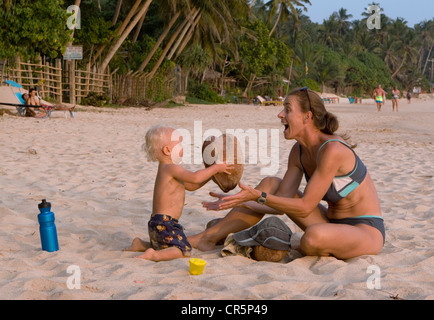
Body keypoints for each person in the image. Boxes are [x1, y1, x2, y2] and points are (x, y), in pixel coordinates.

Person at [189, 87, 385, 260]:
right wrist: (238, 200)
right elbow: (279, 202)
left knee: (312, 237)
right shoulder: (298, 152)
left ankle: (278, 242)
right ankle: (207, 238)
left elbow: (305, 206)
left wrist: (257, 197)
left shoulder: (333, 150)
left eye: (288, 109)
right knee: (271, 183)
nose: (280, 114)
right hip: (330, 222)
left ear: (307, 117)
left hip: (365, 230)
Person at [124, 125, 233, 262]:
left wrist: (212, 175)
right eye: (179, 143)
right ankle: (154, 255)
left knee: (165, 244)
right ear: (167, 150)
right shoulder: (171, 168)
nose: (183, 147)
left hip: (159, 223)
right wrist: (215, 167)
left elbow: (192, 185)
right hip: (165, 223)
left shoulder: (167, 169)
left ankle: (141, 244)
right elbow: (195, 177)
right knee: (184, 251)